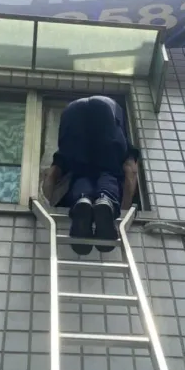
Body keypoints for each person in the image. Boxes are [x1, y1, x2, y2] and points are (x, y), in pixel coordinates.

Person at [42, 95, 140, 255]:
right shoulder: (127, 150)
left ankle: (82, 199)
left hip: (71, 111)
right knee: (109, 173)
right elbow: (131, 171)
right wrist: (123, 210)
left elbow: (51, 173)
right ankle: (106, 199)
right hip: (106, 107)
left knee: (80, 175)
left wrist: (46, 205)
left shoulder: (63, 157)